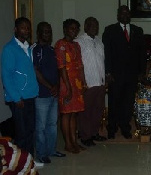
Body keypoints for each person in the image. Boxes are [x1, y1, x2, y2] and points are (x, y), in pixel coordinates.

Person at [102, 5, 146, 139]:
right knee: (114, 102)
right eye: (122, 13)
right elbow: (106, 53)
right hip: (115, 75)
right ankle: (112, 128)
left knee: (128, 103)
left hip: (132, 75)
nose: (125, 15)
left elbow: (142, 53)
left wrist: (141, 71)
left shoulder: (138, 31)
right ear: (118, 15)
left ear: (130, 15)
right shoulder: (110, 30)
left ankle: (125, 127)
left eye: (127, 13)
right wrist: (108, 72)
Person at [1, 17, 39, 157]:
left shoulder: (28, 47)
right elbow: (6, 76)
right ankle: (21, 164)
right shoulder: (10, 49)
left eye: (28, 28)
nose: (26, 30)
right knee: (22, 133)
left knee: (30, 130)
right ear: (15, 29)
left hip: (30, 95)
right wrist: (16, 98)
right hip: (19, 98)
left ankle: (29, 161)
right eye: (23, 28)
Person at [31, 22, 66, 163]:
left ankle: (51, 150)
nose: (48, 34)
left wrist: (56, 86)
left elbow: (57, 70)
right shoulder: (34, 49)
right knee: (41, 126)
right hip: (41, 95)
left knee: (52, 124)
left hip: (53, 94)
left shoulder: (52, 50)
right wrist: (50, 86)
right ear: (39, 33)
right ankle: (41, 153)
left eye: (49, 32)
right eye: (45, 32)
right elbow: (35, 71)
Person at [54, 19, 87, 153]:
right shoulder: (60, 45)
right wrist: (68, 88)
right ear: (65, 29)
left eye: (76, 29)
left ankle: (74, 142)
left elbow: (80, 65)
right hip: (65, 84)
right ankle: (67, 144)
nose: (74, 31)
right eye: (71, 28)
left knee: (74, 114)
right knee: (66, 114)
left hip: (77, 83)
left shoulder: (76, 45)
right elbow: (61, 68)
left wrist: (83, 83)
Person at [75, 17, 107, 147]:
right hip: (87, 83)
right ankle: (85, 136)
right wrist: (82, 83)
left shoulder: (99, 42)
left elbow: (102, 61)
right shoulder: (79, 42)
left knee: (98, 110)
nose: (95, 28)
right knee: (85, 112)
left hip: (100, 82)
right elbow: (77, 64)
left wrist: (105, 80)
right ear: (86, 26)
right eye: (92, 25)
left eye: (96, 26)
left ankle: (94, 133)